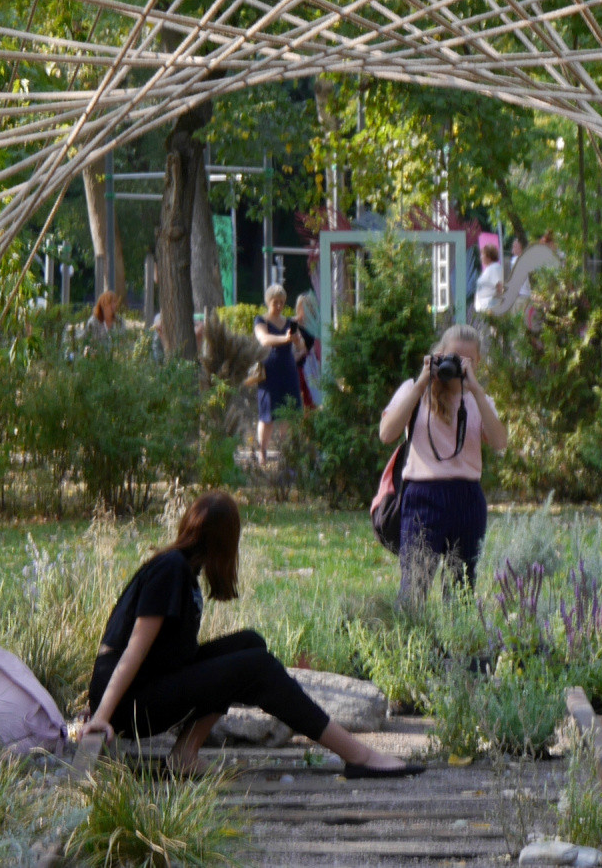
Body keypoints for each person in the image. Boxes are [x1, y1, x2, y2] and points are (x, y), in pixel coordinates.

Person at [82, 492, 421, 777]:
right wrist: (101, 717)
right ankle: (358, 755)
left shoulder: (185, 569)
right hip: (131, 705)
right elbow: (132, 651)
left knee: (250, 644)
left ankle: (185, 755)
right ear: (226, 540)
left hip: (145, 689)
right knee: (255, 666)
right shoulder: (169, 570)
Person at [377, 324, 507, 598]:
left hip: (468, 499)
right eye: (451, 357)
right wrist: (422, 384)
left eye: (465, 361)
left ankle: (457, 641)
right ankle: (413, 639)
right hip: (423, 497)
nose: (456, 366)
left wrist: (477, 391)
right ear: (439, 354)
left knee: (461, 591)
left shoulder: (477, 400)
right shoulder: (415, 389)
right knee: (414, 587)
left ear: (477, 362)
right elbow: (386, 433)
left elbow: (500, 443)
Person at [253, 285, 307, 465]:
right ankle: (262, 452)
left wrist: (297, 341)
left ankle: (285, 453)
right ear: (268, 301)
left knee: (288, 413)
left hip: (288, 370)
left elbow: (301, 348)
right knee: (267, 414)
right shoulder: (261, 320)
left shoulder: (289, 323)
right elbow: (264, 339)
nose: (279, 306)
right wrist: (285, 339)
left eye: (282, 302)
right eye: (275, 302)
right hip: (269, 371)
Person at [292, 291, 323, 411]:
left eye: (310, 306)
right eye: (304, 306)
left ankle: (308, 426)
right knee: (298, 400)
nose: (308, 309)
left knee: (311, 401)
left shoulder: (315, 326)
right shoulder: (294, 324)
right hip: (297, 366)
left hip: (311, 367)